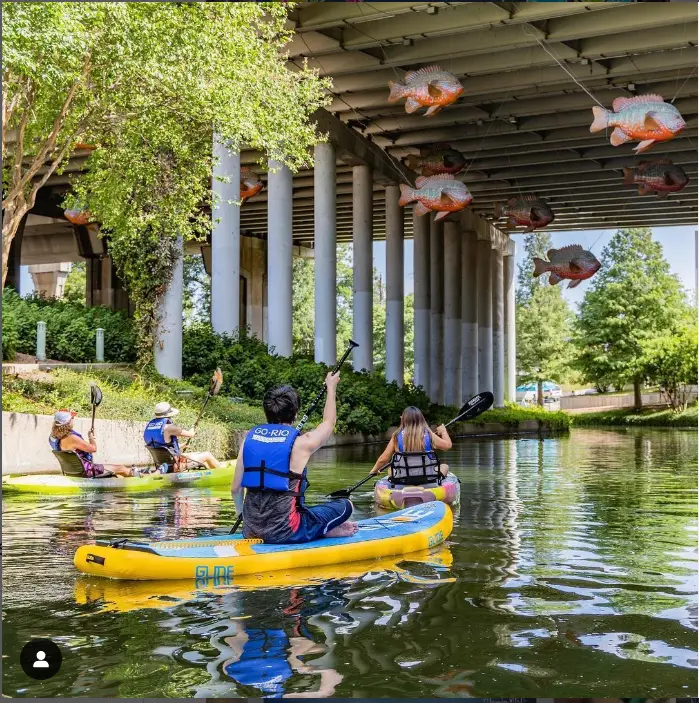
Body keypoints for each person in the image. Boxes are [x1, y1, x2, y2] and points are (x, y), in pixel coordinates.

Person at [231, 372, 357, 544]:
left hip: (250, 530)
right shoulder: (302, 443)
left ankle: (319, 529)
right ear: (295, 413)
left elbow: (235, 489)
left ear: (266, 411)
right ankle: (322, 531)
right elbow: (329, 423)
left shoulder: (249, 441)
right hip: (287, 532)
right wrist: (331, 387)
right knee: (346, 506)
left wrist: (242, 517)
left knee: (308, 512)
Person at [369, 406, 452, 481]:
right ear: (421, 419)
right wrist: (444, 432)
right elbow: (447, 446)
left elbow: (383, 459)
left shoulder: (396, 436)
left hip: (404, 477)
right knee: (445, 466)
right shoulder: (429, 435)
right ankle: (438, 482)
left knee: (390, 469)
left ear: (404, 419)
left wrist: (374, 470)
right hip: (428, 476)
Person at [49, 409, 134, 478]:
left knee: (116, 473)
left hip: (71, 471)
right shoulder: (72, 438)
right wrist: (91, 437)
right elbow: (93, 449)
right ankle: (139, 478)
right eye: (72, 418)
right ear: (67, 422)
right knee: (121, 468)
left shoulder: (53, 437)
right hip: (87, 471)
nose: (73, 420)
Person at [143, 402, 221, 471]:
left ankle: (212, 471)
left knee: (197, 453)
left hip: (162, 466)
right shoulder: (169, 428)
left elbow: (162, 447)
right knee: (207, 455)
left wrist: (180, 446)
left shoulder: (149, 427)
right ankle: (221, 471)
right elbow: (191, 434)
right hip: (175, 465)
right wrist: (194, 427)